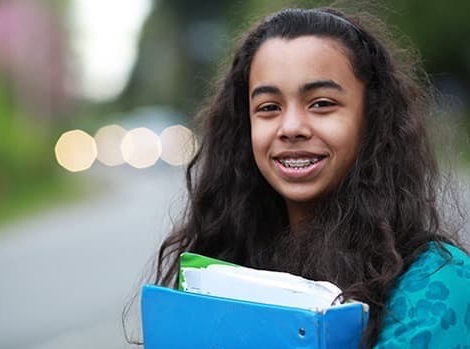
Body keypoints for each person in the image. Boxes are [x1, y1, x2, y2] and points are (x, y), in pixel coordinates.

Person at [138, 7, 470, 348]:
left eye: (321, 103)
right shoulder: (219, 272)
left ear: (372, 118)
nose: (292, 127)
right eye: (268, 107)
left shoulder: (439, 282)